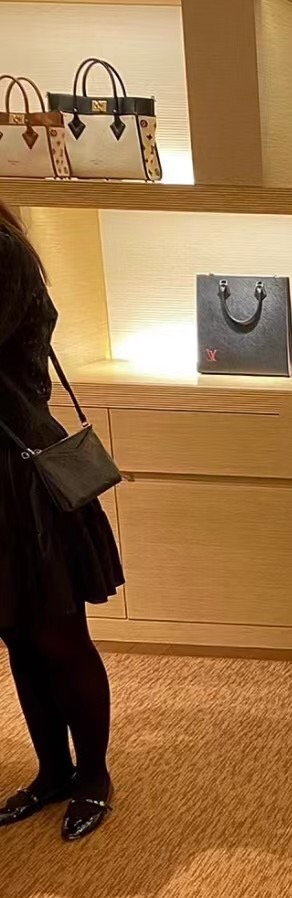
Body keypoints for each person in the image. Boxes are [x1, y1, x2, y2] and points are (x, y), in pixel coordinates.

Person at [0, 202, 121, 842]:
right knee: (18, 636)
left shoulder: (4, 252)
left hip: (23, 478)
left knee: (59, 635)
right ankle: (52, 771)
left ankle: (93, 776)